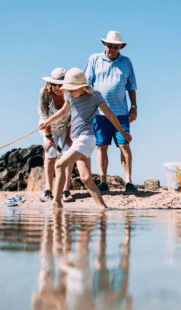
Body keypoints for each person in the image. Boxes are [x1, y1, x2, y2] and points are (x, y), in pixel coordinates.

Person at [39, 68, 132, 209]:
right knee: (86, 178)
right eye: (68, 88)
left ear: (82, 87)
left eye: (72, 88)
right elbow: (64, 111)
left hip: (86, 138)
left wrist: (123, 132)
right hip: (78, 140)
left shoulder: (94, 96)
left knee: (59, 165)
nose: (69, 91)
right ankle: (103, 207)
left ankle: (56, 203)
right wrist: (48, 121)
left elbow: (110, 115)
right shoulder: (69, 96)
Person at [84, 30, 138, 194]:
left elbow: (131, 86)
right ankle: (103, 181)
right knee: (102, 146)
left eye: (115, 47)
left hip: (121, 112)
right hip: (99, 113)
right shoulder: (94, 59)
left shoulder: (126, 62)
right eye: (109, 45)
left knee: (124, 145)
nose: (111, 49)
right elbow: (87, 84)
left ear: (120, 47)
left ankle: (128, 181)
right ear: (105, 45)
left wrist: (134, 106)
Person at [38, 68, 74, 203]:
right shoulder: (44, 93)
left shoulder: (71, 94)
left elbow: (72, 117)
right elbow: (43, 115)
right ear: (50, 84)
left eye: (61, 84)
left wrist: (69, 137)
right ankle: (48, 190)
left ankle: (66, 190)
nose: (58, 88)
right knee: (51, 153)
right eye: (55, 84)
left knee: (67, 154)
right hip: (48, 127)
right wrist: (48, 137)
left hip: (67, 127)